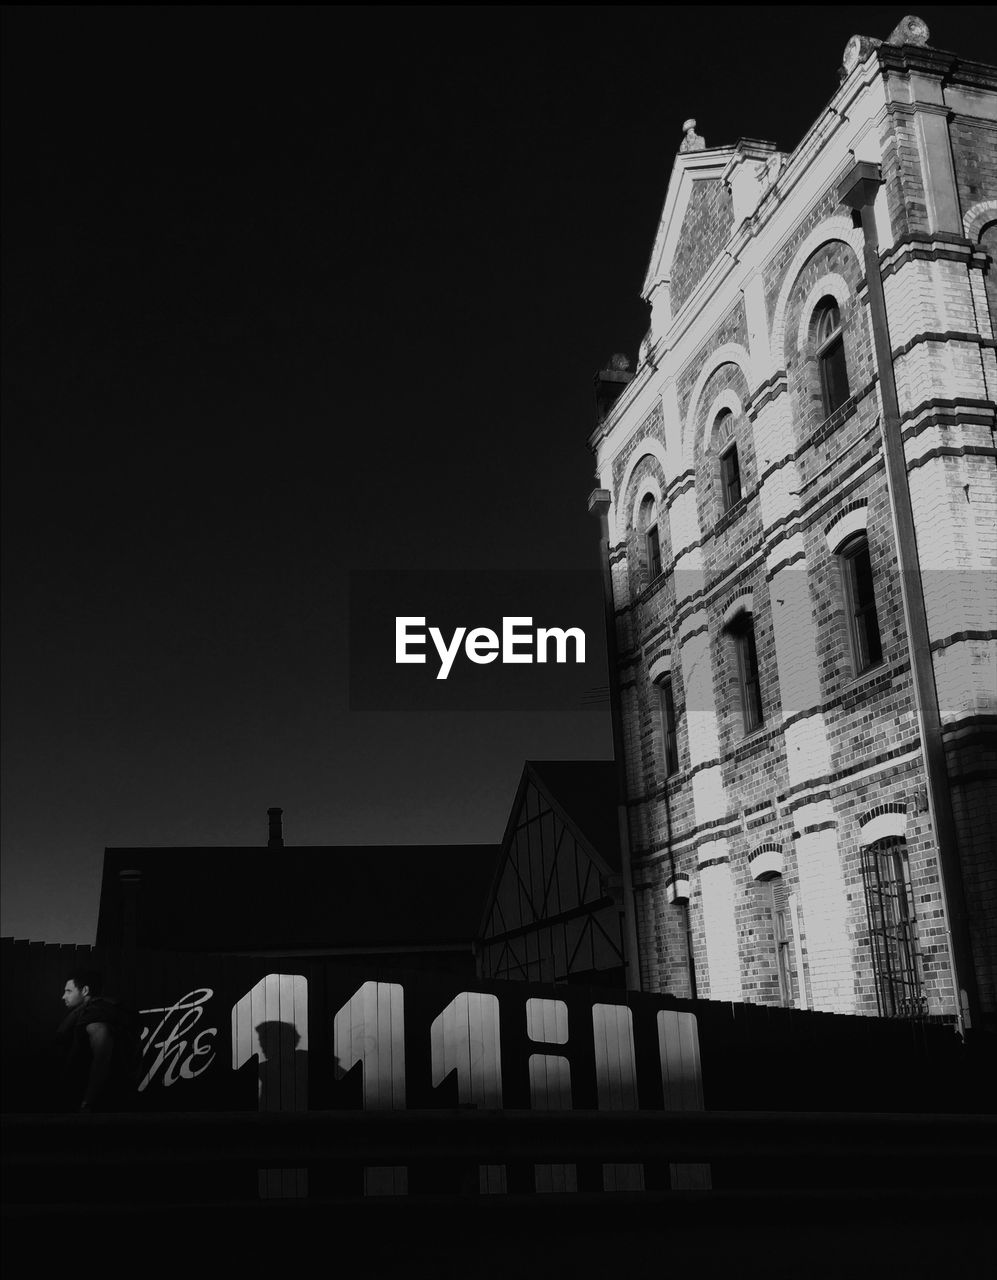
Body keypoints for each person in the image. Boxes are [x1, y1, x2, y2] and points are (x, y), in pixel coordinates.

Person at [56, 969, 141, 1111]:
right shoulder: (109, 1013)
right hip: (122, 1099)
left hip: (98, 1105)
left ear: (85, 990)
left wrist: (88, 1101)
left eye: (69, 991)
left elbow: (102, 1056)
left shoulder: (94, 1014)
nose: (63, 996)